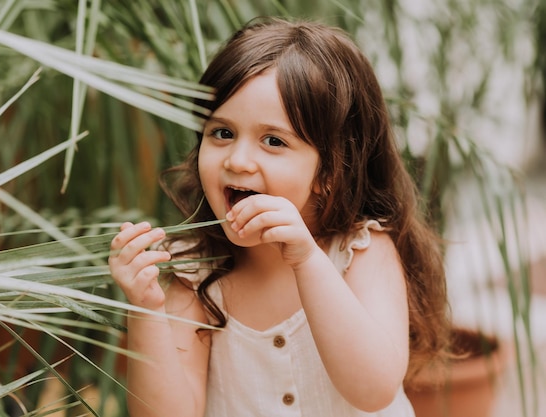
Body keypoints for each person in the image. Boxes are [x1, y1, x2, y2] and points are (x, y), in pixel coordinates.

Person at [109, 17, 450, 417]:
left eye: (273, 141)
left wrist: (307, 259)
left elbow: (373, 390)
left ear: (329, 172)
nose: (237, 160)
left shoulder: (361, 252)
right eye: (221, 133)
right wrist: (146, 308)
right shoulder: (193, 271)